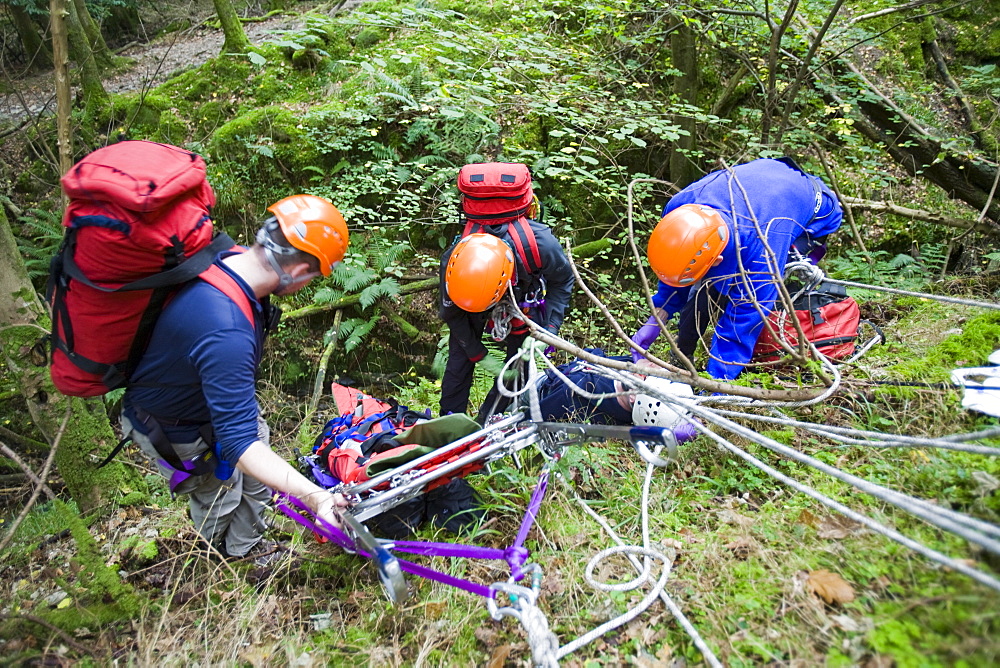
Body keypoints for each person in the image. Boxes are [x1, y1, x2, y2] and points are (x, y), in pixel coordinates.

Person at [120, 194, 350, 562]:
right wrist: (318, 497)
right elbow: (240, 444)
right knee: (220, 495)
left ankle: (245, 545)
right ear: (300, 270)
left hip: (206, 403)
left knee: (256, 480)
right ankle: (220, 560)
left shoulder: (226, 259)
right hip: (173, 427)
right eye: (315, 274)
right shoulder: (225, 329)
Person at [630, 158, 844, 380]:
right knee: (706, 287)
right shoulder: (679, 208)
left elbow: (741, 325)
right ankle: (683, 353)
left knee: (730, 295)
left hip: (815, 214)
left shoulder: (762, 254)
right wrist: (657, 318)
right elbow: (678, 264)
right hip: (765, 182)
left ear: (718, 259)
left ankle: (759, 356)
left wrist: (716, 387)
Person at [439, 227, 574, 423]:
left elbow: (563, 282)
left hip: (522, 301)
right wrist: (479, 354)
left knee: (520, 368)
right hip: (473, 297)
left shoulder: (541, 246)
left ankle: (488, 423)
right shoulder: (452, 262)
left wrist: (549, 330)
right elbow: (452, 315)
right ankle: (448, 425)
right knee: (458, 360)